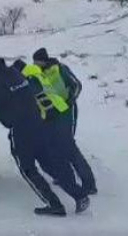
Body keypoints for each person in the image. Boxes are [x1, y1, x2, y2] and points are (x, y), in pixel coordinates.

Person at [0, 58, 90, 216]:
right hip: (38, 124)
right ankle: (80, 195)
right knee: (49, 165)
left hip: (21, 130)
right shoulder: (15, 75)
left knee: (28, 169)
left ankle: (54, 205)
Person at [32, 48, 98, 195]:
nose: (35, 64)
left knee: (69, 147)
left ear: (43, 60)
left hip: (67, 113)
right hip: (52, 114)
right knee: (54, 146)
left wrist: (69, 101)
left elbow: (77, 85)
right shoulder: (39, 74)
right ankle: (66, 177)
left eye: (37, 61)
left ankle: (89, 183)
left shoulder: (60, 69)